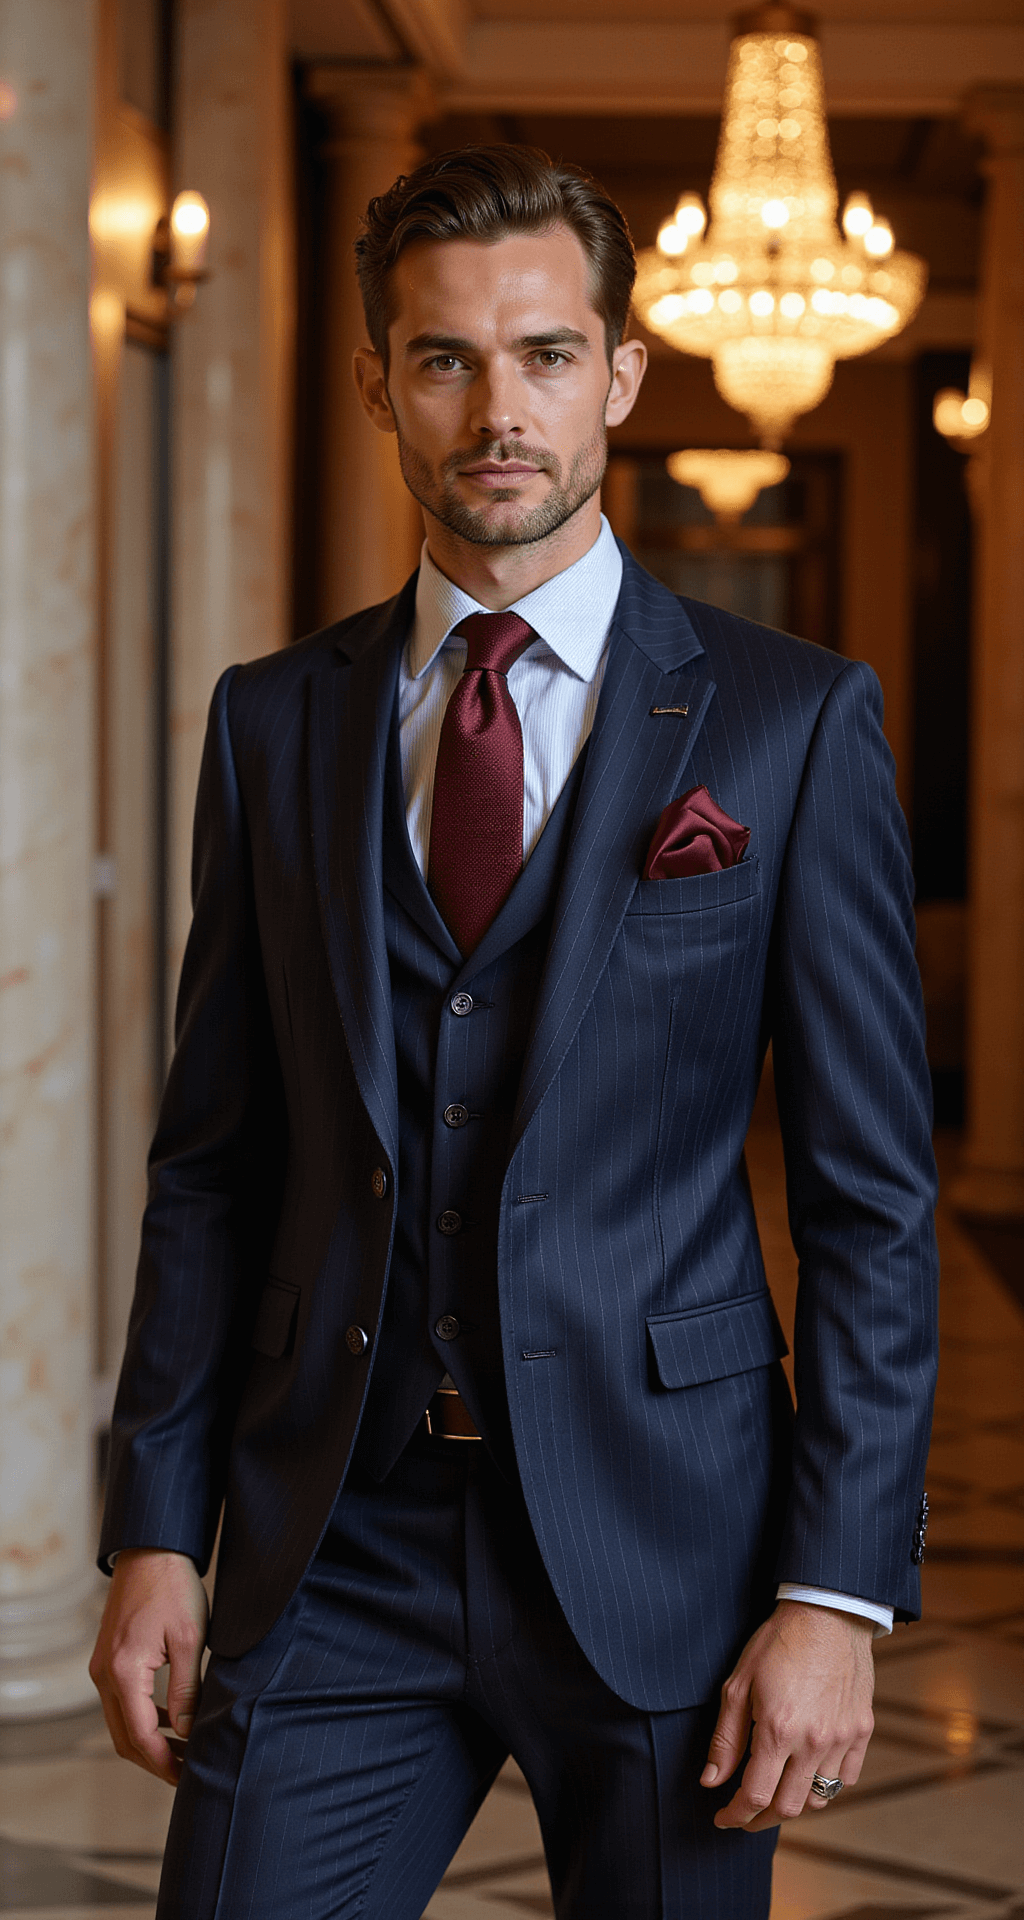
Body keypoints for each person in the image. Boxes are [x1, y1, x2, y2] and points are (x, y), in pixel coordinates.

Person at [90, 145, 939, 1919]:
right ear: (377, 384)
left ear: (620, 374)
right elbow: (213, 1167)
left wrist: (835, 1592)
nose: (500, 411)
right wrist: (158, 1527)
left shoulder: (789, 723)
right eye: (446, 359)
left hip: (674, 1543)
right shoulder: (272, 724)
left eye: (548, 355)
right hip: (338, 1535)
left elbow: (871, 1198)